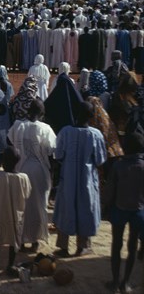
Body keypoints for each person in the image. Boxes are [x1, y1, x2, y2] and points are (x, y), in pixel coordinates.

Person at [53, 101, 107, 257]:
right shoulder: (95, 135)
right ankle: (83, 246)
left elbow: (58, 155)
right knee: (86, 208)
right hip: (87, 180)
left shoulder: (65, 132)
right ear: (91, 116)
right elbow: (100, 160)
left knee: (66, 208)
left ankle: (63, 247)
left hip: (68, 178)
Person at [7, 99, 56, 252]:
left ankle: (20, 240)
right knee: (38, 206)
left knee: (21, 206)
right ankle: (35, 240)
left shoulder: (17, 126)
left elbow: (9, 142)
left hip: (20, 169)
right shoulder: (46, 129)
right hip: (40, 172)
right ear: (42, 114)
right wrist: (52, 174)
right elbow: (51, 153)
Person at [102, 133, 144, 294]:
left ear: (124, 148)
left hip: (119, 210)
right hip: (138, 212)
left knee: (116, 245)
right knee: (132, 247)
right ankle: (125, 283)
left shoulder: (118, 165)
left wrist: (105, 206)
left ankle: (114, 281)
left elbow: (110, 191)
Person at [0, 147, 32, 277]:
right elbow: (27, 194)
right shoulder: (24, 178)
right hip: (16, 216)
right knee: (14, 240)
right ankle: (10, 265)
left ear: (3, 161)